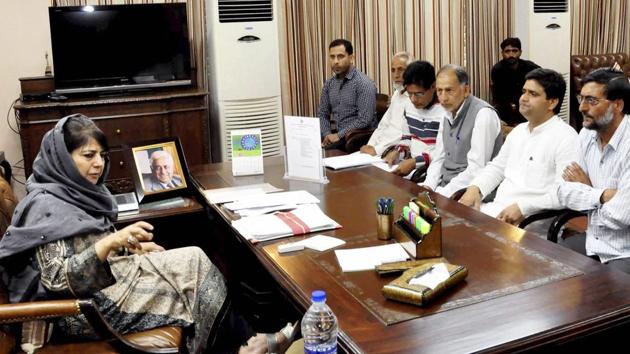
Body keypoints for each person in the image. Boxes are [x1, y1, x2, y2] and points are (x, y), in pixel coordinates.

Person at [0, 114, 296, 354]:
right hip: (84, 311)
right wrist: (112, 242)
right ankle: (248, 346)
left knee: (194, 257)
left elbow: (90, 244)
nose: (99, 164)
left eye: (102, 155)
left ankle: (246, 343)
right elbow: (56, 279)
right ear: (62, 158)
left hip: (108, 283)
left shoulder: (76, 192)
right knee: (191, 279)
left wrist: (130, 249)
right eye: (88, 155)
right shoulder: (46, 205)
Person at [458, 68, 578, 224]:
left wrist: (523, 207)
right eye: (524, 91)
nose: (523, 98)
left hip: (530, 223)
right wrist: (476, 187)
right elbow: (497, 168)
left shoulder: (566, 137)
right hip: (496, 212)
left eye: (533, 94)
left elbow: (564, 192)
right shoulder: (519, 131)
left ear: (552, 102)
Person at [557, 68, 630, 273]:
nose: (581, 107)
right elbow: (564, 193)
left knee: (601, 298)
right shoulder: (586, 135)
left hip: (625, 251)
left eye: (592, 100)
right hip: (593, 242)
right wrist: (603, 195)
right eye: (581, 99)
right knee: (547, 269)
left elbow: (621, 218)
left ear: (617, 105)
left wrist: (587, 190)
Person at [421, 65, 503, 198]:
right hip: (445, 188)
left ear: (466, 90)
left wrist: (443, 194)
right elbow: (439, 157)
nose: (443, 98)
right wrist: (428, 185)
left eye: (449, 90)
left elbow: (477, 169)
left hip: (471, 193)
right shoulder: (446, 112)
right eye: (439, 91)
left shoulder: (483, 114)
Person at [319, 38, 377, 150]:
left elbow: (365, 119)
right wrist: (327, 134)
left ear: (351, 58)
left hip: (359, 137)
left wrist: (338, 135)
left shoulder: (363, 83)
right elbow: (323, 113)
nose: (335, 61)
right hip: (338, 137)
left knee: (323, 153)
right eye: (332, 57)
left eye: (340, 56)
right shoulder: (329, 84)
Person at [360, 52, 414, 157]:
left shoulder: (415, 99)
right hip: (378, 150)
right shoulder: (396, 95)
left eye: (400, 69)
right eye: (393, 70)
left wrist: (377, 150)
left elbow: (403, 135)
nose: (396, 75)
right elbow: (383, 125)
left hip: (392, 152)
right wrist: (370, 145)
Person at [491, 37, 540, 126]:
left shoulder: (530, 66)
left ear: (520, 52)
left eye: (514, 51)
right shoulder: (497, 70)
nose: (511, 54)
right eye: (507, 51)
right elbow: (500, 97)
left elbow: (544, 79)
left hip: (528, 102)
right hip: (507, 106)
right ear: (502, 53)